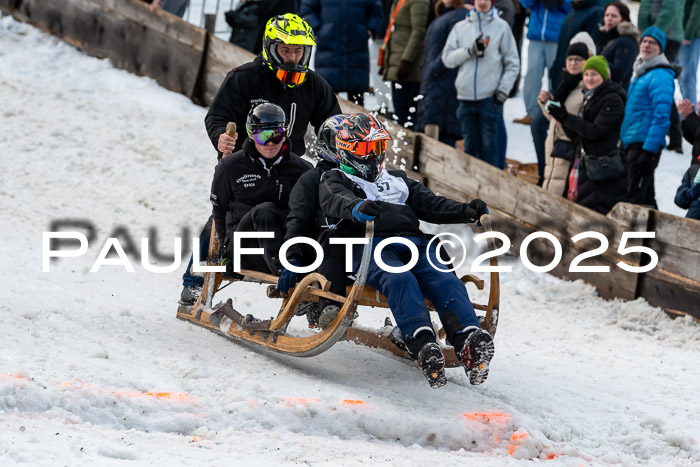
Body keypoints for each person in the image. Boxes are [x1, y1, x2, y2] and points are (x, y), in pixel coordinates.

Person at [318, 113, 494, 388]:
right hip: (370, 244)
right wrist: (356, 207)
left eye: (379, 148)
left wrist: (465, 211)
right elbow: (335, 201)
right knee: (400, 279)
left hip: (414, 243)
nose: (375, 156)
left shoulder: (397, 179)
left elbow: (430, 204)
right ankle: (422, 342)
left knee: (444, 278)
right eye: (367, 149)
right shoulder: (335, 178)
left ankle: (468, 339)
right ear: (348, 151)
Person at [179, 13, 342, 310]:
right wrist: (220, 137)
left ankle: (306, 287)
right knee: (220, 218)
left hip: (290, 167)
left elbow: (332, 126)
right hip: (245, 162)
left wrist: (333, 159)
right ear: (270, 47)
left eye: (298, 51)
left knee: (299, 220)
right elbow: (217, 116)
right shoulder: (245, 77)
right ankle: (194, 280)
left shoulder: (315, 85)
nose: (292, 57)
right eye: (285, 50)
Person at [277, 114, 363, 329]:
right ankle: (329, 309)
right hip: (319, 251)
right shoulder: (312, 179)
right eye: (342, 143)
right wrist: (293, 257)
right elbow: (297, 219)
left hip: (355, 250)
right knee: (332, 237)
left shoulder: (361, 178)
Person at [210, 103, 312, 281]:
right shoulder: (230, 167)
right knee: (264, 211)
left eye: (276, 135)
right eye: (262, 137)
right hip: (246, 248)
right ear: (250, 135)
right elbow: (219, 210)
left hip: (286, 245)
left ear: (285, 133)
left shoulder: (302, 170)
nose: (271, 143)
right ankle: (287, 275)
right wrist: (224, 252)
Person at [442, 0, 519, 169]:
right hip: (465, 96)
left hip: (489, 97)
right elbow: (447, 59)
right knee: (469, 146)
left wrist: (503, 91)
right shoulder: (461, 27)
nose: (482, 2)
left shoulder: (501, 27)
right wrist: (468, 51)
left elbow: (512, 63)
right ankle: (469, 189)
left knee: (490, 147)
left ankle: (492, 190)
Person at [546, 56, 627, 214]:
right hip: (586, 163)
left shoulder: (612, 99)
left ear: (605, 76)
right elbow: (580, 135)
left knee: (596, 213)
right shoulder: (591, 96)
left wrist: (565, 117)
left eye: (594, 74)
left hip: (601, 167)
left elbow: (595, 131)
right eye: (587, 74)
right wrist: (561, 120)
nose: (589, 78)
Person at [620, 27, 680, 209]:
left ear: (660, 49)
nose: (646, 45)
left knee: (635, 200)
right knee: (645, 198)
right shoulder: (642, 71)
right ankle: (652, 237)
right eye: (644, 41)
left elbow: (662, 116)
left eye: (652, 42)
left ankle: (637, 238)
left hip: (644, 144)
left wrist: (649, 151)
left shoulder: (660, 75)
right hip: (633, 141)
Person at [300, 0, 384, 106]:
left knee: (357, 101)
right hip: (329, 47)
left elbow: (376, 10)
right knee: (327, 99)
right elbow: (307, 10)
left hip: (356, 47)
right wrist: (318, 29)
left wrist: (370, 29)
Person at [538, 39, 592, 196]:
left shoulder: (585, 90)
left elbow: (573, 121)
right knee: (549, 184)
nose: (573, 63)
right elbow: (555, 118)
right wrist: (545, 102)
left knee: (559, 191)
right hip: (554, 146)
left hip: (569, 149)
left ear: (586, 62)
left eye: (578, 60)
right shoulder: (566, 85)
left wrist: (564, 119)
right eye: (570, 59)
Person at [414, 0, 469, 147]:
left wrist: (434, 68)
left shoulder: (459, 16)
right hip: (433, 80)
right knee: (431, 129)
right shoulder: (444, 13)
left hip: (445, 80)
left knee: (444, 133)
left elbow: (453, 49)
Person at [638, 0, 686, 153]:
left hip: (667, 37)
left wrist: (652, 36)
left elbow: (670, 10)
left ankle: (675, 137)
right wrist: (645, 33)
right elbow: (645, 8)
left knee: (662, 87)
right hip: (654, 36)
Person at [514, 0, 571, 127]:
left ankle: (553, 112)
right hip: (536, 35)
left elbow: (571, 7)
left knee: (555, 76)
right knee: (532, 75)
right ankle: (532, 113)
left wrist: (560, 1)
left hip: (557, 36)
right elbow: (526, 4)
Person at [379, 0, 431, 127]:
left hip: (407, 67)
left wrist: (406, 61)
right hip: (397, 61)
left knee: (406, 113)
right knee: (400, 110)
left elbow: (418, 32)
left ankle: (409, 143)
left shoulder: (418, 2)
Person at [550, 0, 604, 91]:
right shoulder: (573, 12)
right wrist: (554, 69)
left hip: (578, 81)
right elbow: (562, 46)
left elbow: (593, 48)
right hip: (562, 74)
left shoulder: (596, 12)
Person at [595, 0, 639, 90]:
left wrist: (595, 60)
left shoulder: (627, 41)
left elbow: (619, 72)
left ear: (623, 19)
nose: (609, 18)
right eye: (607, 15)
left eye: (614, 16)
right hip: (601, 90)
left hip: (615, 93)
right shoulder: (604, 37)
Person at [224, 0, 295, 53]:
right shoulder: (249, 5)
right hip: (245, 41)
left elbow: (254, 21)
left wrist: (237, 17)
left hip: (255, 42)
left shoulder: (258, 7)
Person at [674, 99, 700, 219]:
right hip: (695, 170)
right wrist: (688, 118)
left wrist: (690, 117)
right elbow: (680, 201)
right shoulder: (693, 170)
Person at [679, 0, 699, 105]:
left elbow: (697, 9)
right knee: (681, 77)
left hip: (689, 37)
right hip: (677, 34)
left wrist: (688, 34)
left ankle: (690, 115)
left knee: (687, 77)